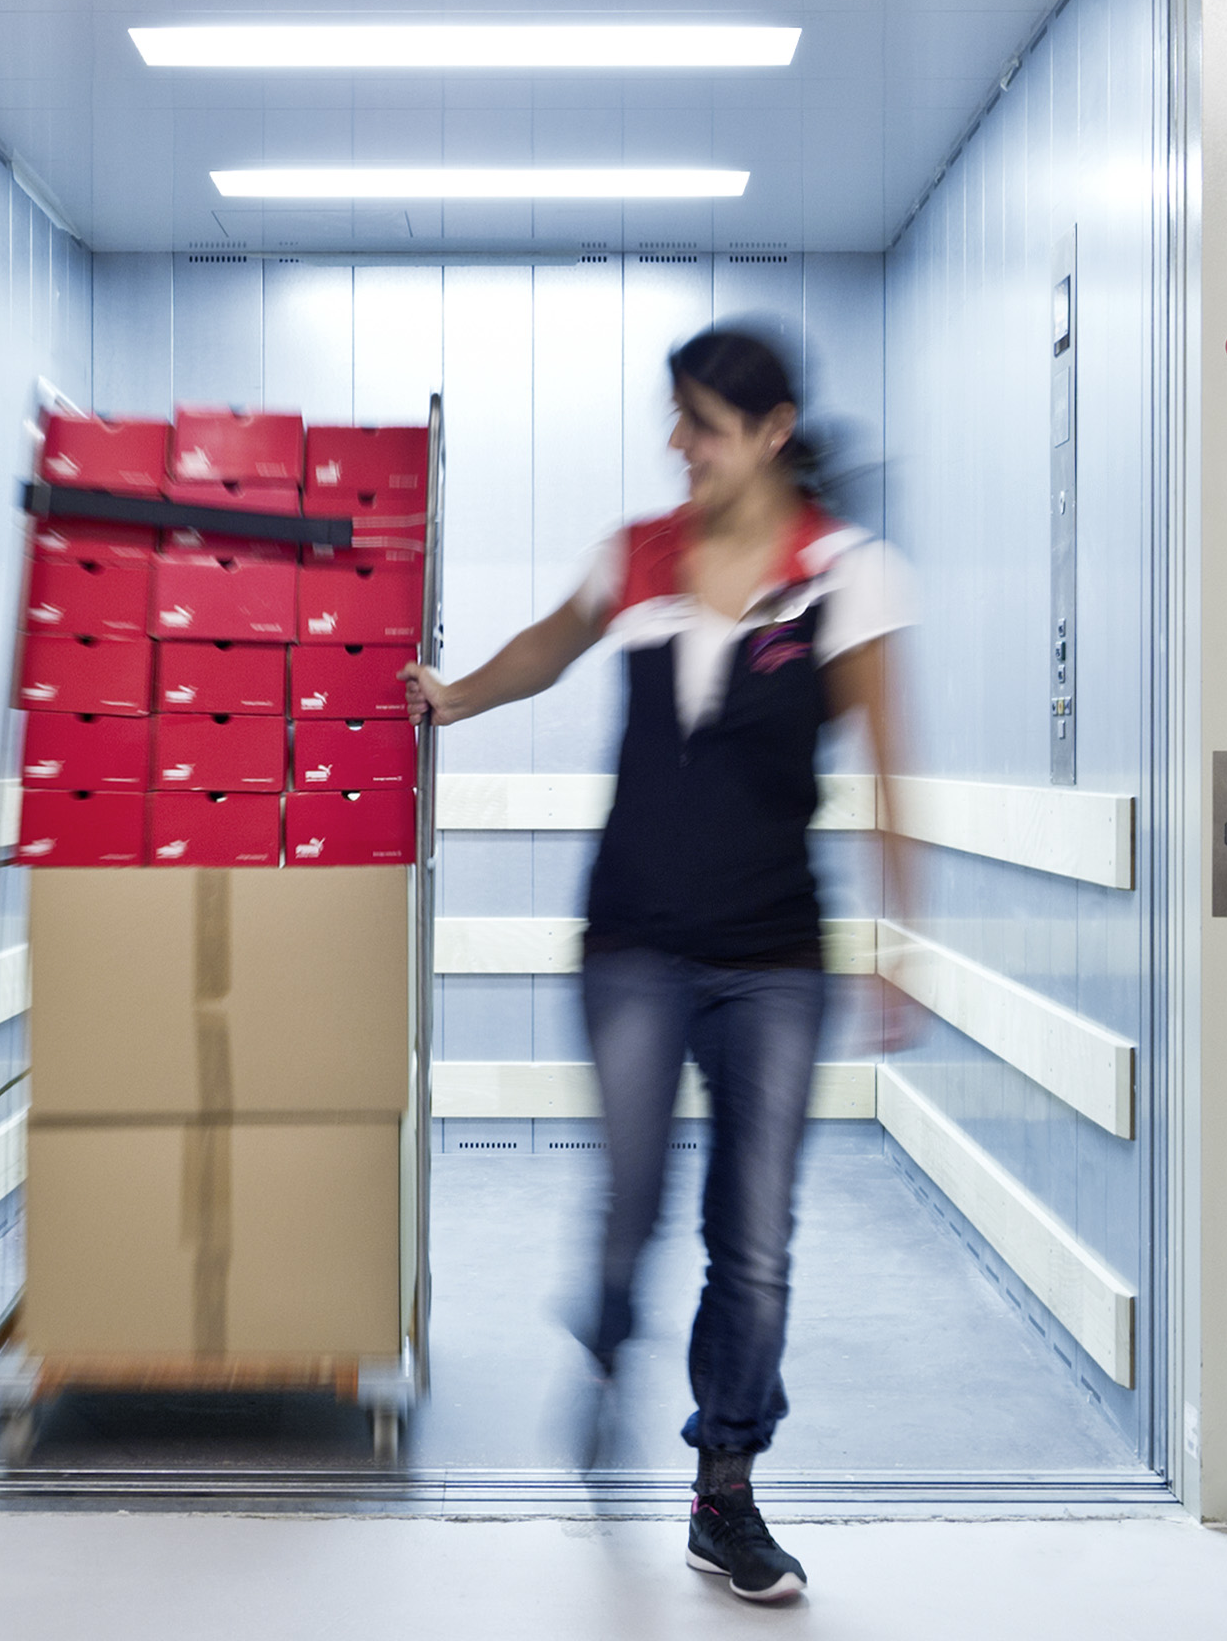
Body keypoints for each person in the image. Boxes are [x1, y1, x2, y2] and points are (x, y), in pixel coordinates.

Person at [404, 321, 918, 1606]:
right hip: (634, 941)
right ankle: (609, 1341)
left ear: (773, 432)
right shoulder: (634, 556)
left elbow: (889, 760)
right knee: (631, 1209)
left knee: (753, 1239)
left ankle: (724, 1490)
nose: (679, 443)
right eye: (678, 418)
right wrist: (455, 696)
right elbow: (550, 644)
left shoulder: (845, 575)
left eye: (704, 423)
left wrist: (898, 948)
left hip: (775, 958)